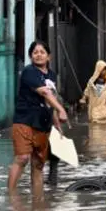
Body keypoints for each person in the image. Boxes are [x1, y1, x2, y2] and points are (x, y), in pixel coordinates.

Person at [10, 40, 68, 194]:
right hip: (24, 121)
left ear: (49, 56)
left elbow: (50, 101)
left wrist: (57, 125)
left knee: (38, 164)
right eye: (35, 52)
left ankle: (38, 201)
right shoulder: (29, 72)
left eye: (42, 52)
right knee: (22, 158)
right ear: (31, 57)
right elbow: (45, 93)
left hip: (43, 123)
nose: (39, 55)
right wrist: (62, 109)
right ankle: (11, 196)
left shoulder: (52, 75)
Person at [81, 60, 106, 124]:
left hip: (104, 111)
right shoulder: (91, 83)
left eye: (105, 70)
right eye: (103, 69)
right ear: (98, 70)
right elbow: (86, 92)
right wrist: (83, 99)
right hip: (94, 112)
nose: (104, 72)